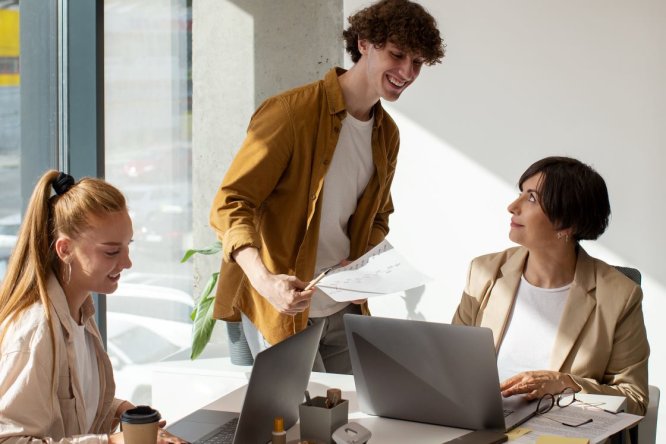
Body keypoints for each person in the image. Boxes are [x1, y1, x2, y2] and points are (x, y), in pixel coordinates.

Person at [209, 0, 445, 373]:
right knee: (294, 427)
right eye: (397, 55)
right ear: (364, 44)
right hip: (276, 307)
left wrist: (364, 262)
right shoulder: (290, 113)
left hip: (340, 305)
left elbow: (379, 215)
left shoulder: (386, 133)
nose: (407, 71)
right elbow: (231, 203)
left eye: (417, 62)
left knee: (353, 421)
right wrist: (265, 280)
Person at [452, 156, 649, 415]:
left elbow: (634, 399)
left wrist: (566, 384)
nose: (513, 206)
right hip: (482, 423)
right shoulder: (484, 272)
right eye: (521, 193)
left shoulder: (620, 295)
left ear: (568, 224)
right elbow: (451, 363)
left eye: (532, 198)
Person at [0, 171, 185, 444]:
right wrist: (112, 442)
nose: (127, 263)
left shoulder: (80, 313)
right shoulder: (36, 330)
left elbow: (71, 408)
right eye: (111, 252)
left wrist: (120, 412)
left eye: (127, 246)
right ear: (64, 249)